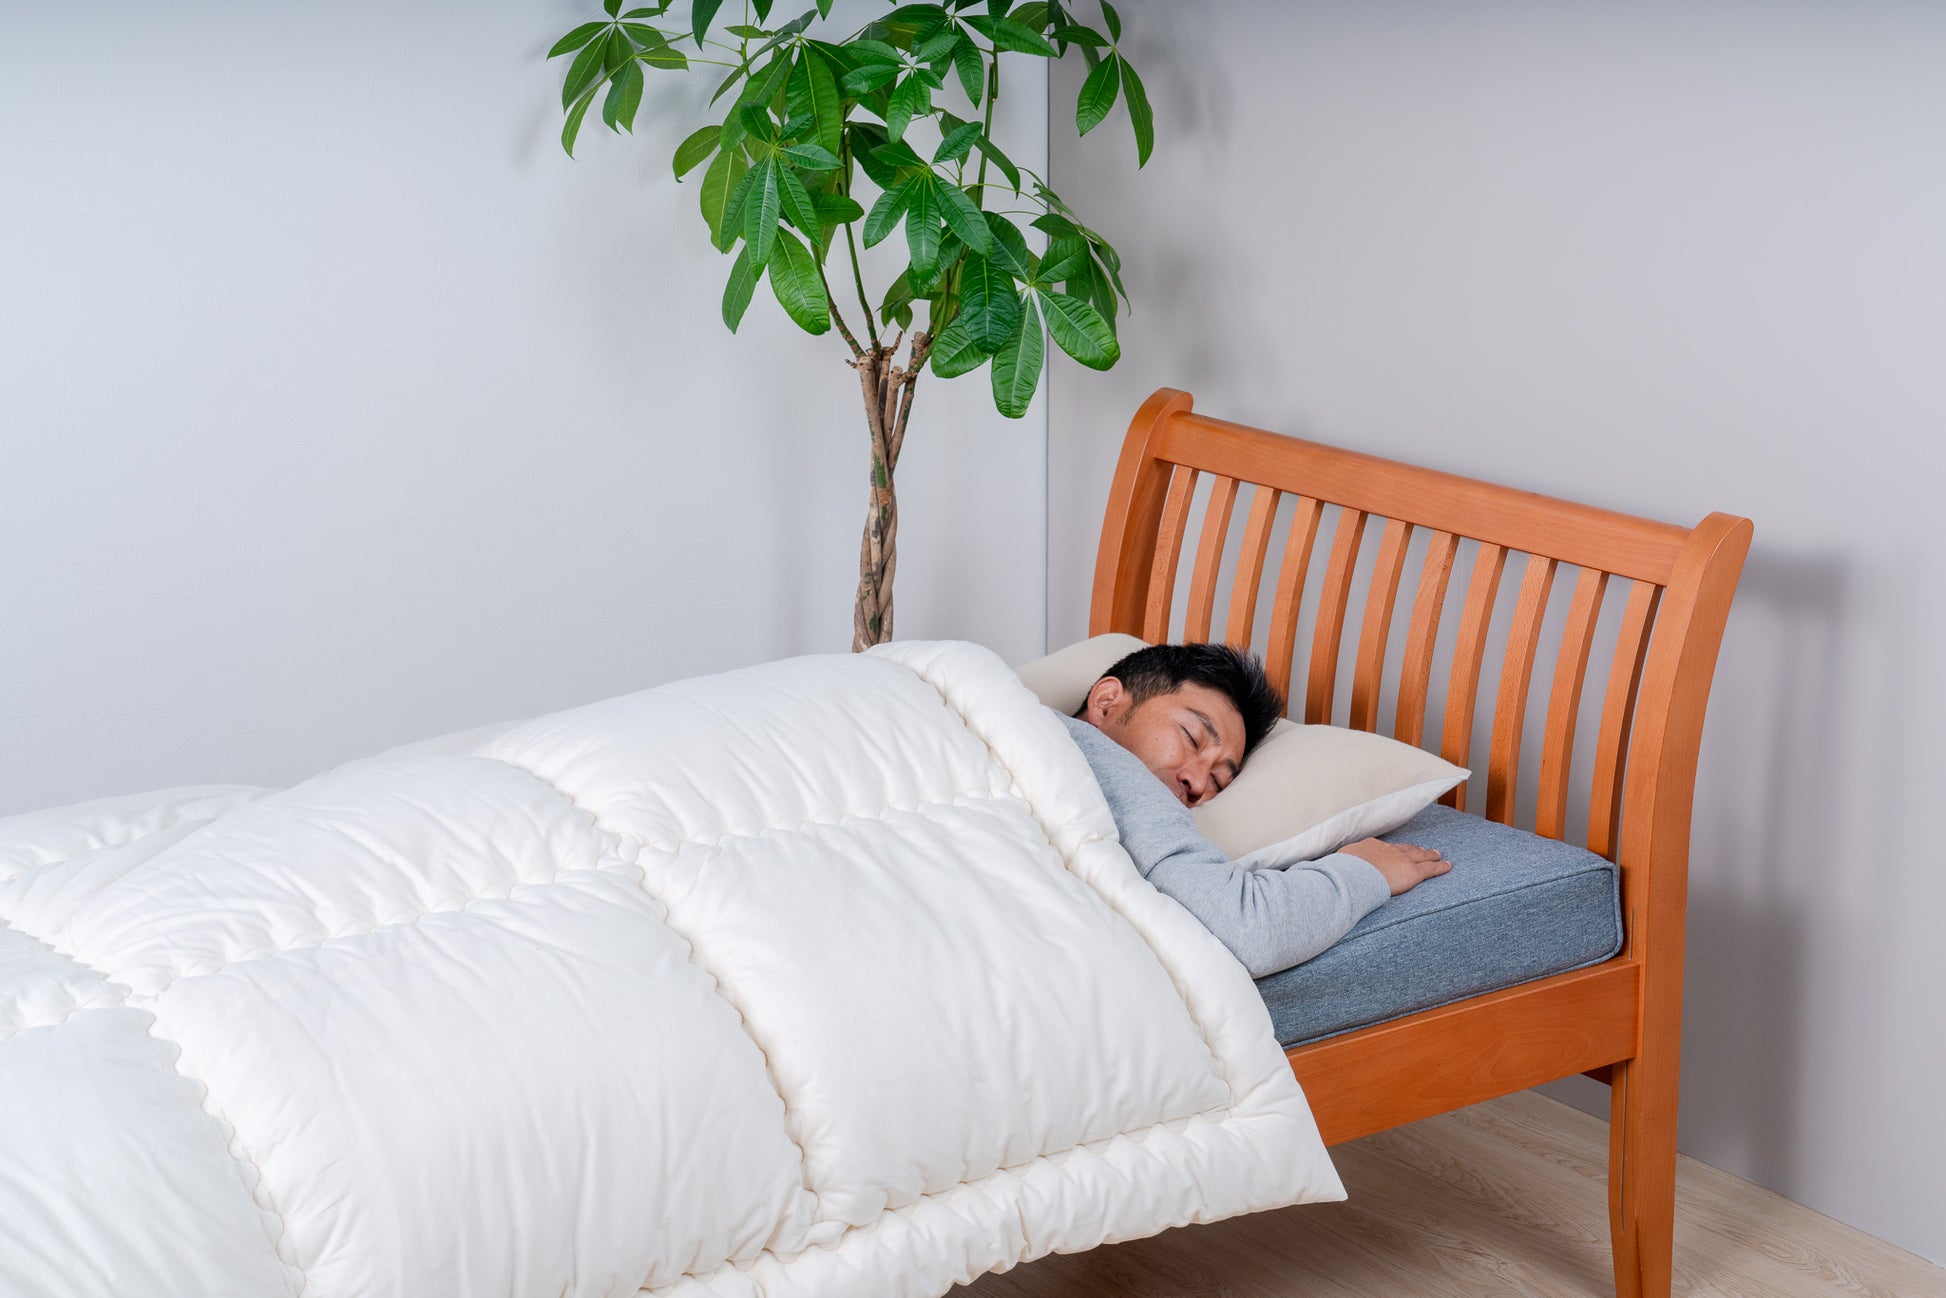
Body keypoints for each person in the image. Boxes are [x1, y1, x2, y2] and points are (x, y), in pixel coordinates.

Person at [1058, 642, 1450, 979]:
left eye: (1219, 780)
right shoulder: (1115, 767)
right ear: (1106, 702)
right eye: (1191, 736)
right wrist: (1365, 869)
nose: (1198, 783)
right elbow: (1248, 929)